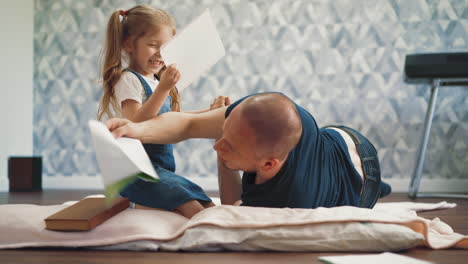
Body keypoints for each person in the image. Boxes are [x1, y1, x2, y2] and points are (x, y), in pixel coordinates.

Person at [105, 92, 392, 209]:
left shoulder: (286, 201)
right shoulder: (264, 110)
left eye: (227, 145)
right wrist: (135, 129)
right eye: (223, 132)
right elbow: (189, 123)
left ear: (268, 165)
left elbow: (231, 206)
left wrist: (225, 160)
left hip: (364, 184)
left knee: (364, 186)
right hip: (337, 138)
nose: (216, 145)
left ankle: (382, 187)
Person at [97, 5, 229, 218]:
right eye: (152, 45)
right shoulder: (128, 79)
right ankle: (202, 236)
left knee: (205, 203)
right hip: (138, 173)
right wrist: (164, 88)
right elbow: (136, 125)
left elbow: (174, 120)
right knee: (191, 207)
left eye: (166, 47)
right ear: (129, 44)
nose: (160, 53)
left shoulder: (156, 81)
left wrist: (210, 112)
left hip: (162, 170)